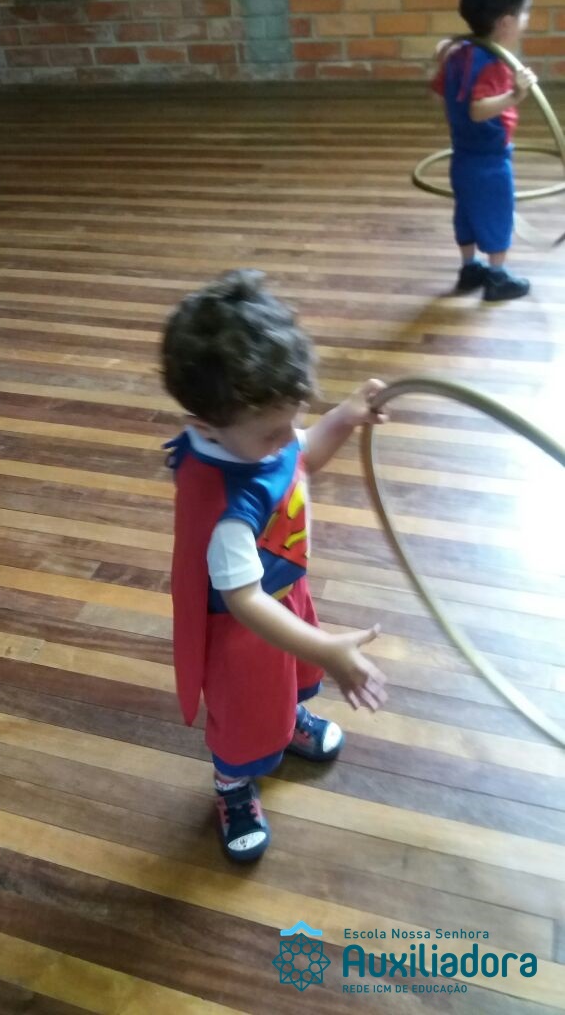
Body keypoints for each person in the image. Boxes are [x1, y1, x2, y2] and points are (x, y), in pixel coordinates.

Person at [162, 270, 388, 862]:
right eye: (273, 432)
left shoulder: (257, 436)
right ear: (205, 427)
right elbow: (244, 601)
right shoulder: (224, 506)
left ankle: (286, 718)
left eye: (295, 417)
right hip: (244, 628)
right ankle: (234, 784)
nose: (288, 438)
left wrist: (344, 417)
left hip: (285, 593)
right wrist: (328, 649)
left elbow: (301, 454)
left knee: (285, 679)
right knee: (245, 708)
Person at [432, 0, 537, 301]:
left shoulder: (458, 54)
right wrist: (515, 94)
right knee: (497, 213)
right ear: (506, 22)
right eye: (524, 13)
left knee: (466, 211)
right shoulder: (493, 63)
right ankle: (497, 276)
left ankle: (469, 269)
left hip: (463, 153)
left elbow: (441, 95)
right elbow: (478, 110)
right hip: (490, 158)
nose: (527, 19)